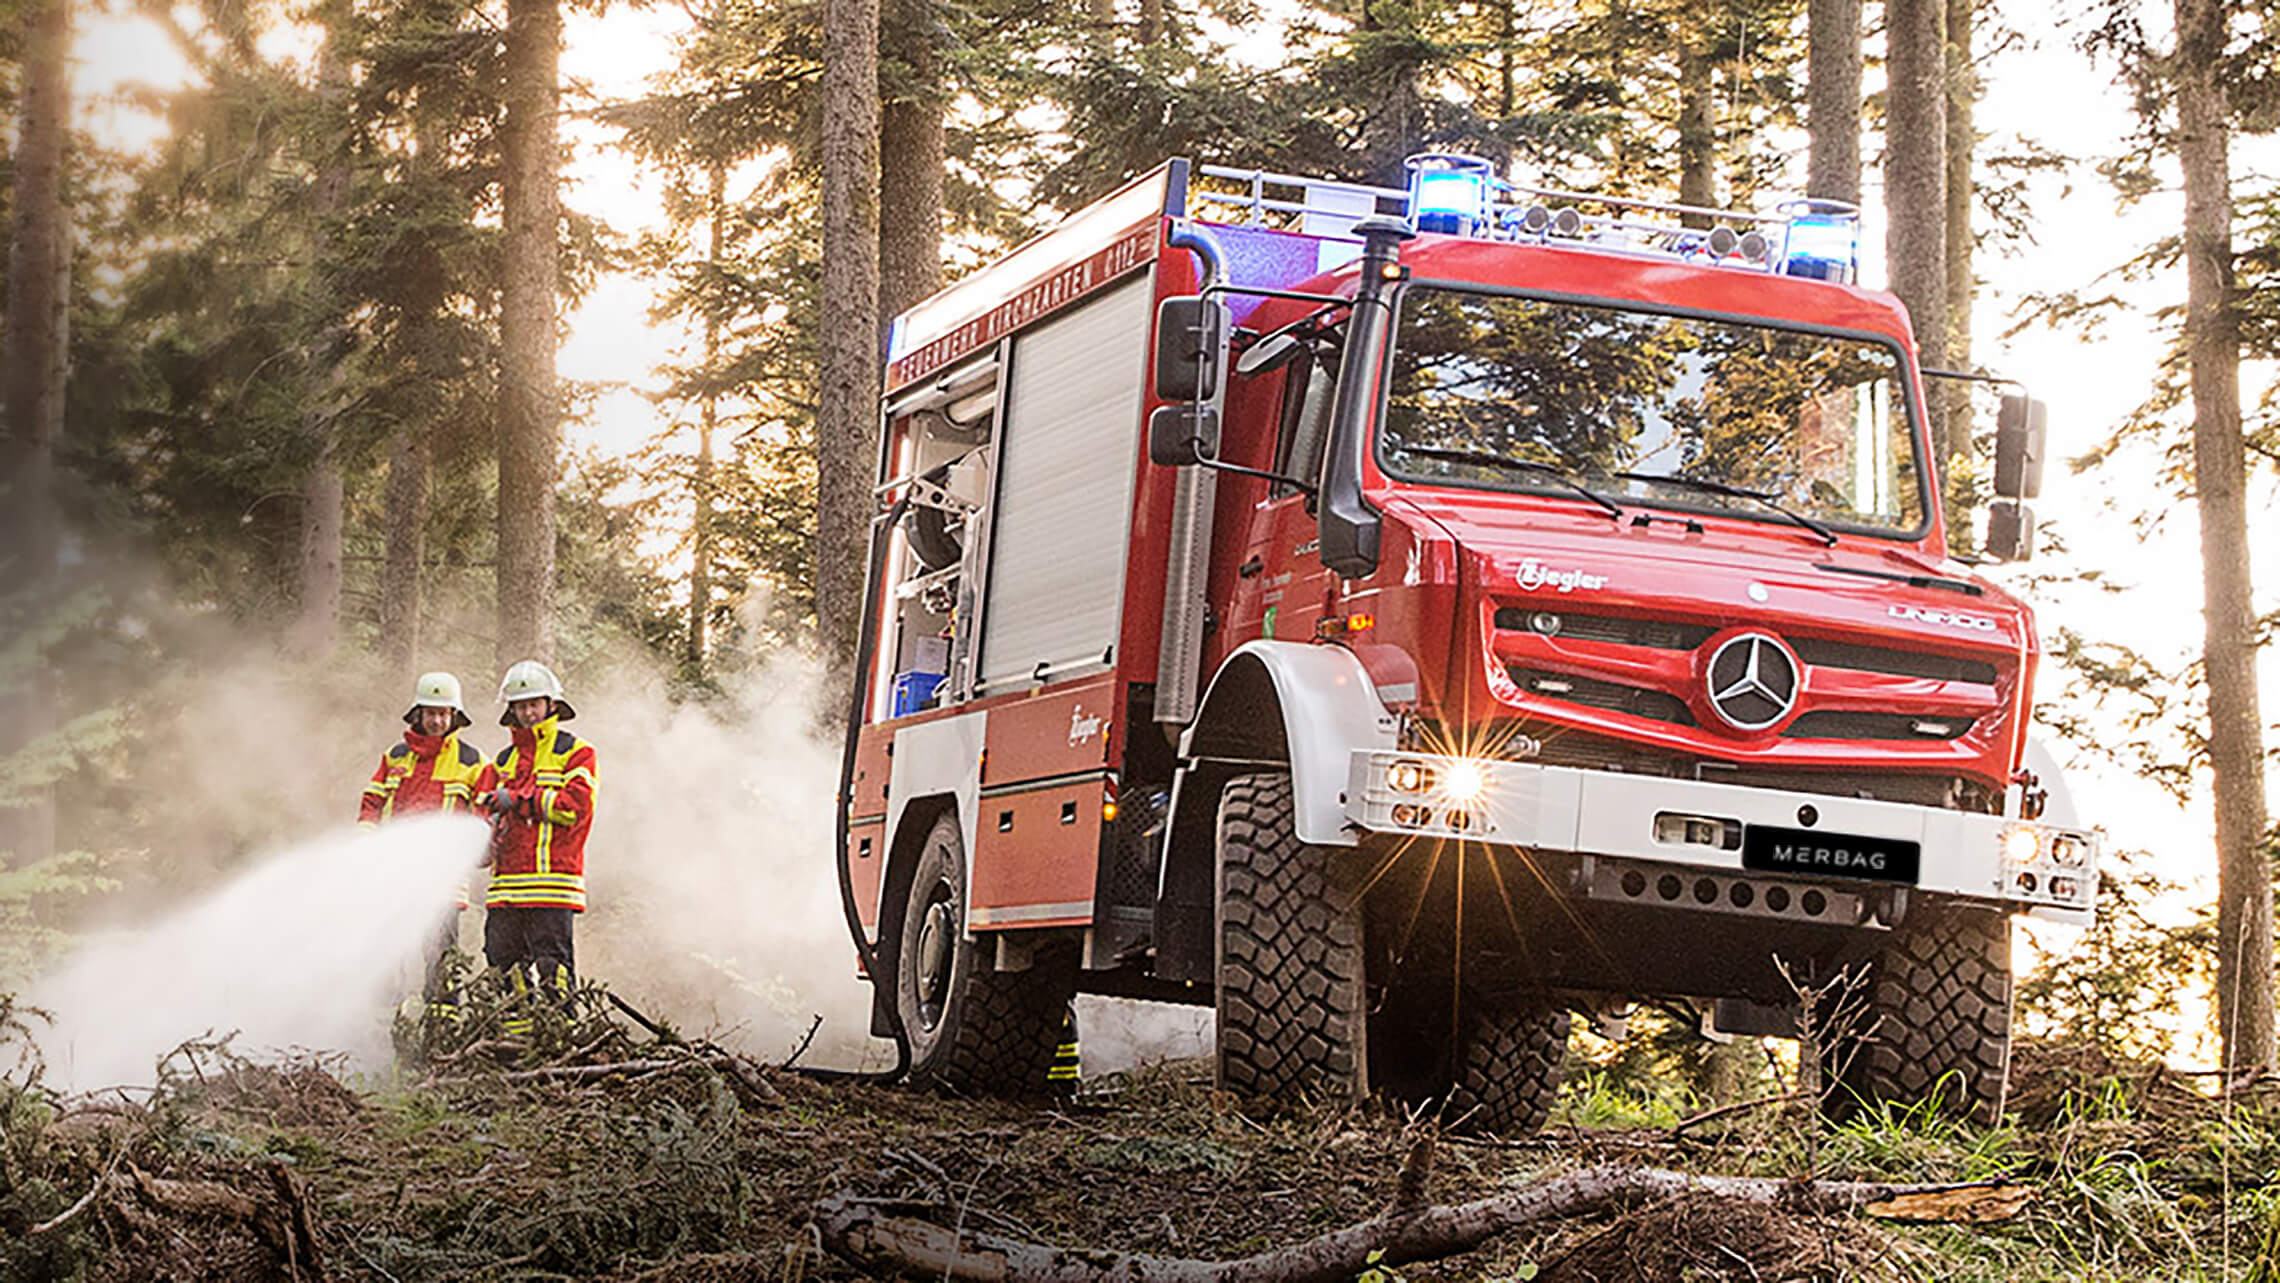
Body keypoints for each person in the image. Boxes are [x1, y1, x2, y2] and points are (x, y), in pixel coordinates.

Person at [476, 659, 598, 1033]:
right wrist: (485, 828)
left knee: (552, 966)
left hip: (552, 883)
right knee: (502, 962)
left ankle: (559, 1038)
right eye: (521, 706)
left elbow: (574, 808)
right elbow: (483, 810)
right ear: (510, 710)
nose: (528, 713)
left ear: (551, 704)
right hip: (506, 887)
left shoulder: (575, 752)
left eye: (534, 704)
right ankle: (516, 1043)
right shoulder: (501, 762)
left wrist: (518, 800)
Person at [359, 671, 486, 1021]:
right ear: (418, 713)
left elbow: (483, 814)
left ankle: (441, 1031)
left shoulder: (472, 761)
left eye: (444, 713)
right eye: (431, 712)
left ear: (455, 715)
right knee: (389, 956)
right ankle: (384, 1030)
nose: (437, 720)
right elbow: (372, 801)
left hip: (445, 883)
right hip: (396, 878)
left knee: (441, 959)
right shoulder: (396, 757)